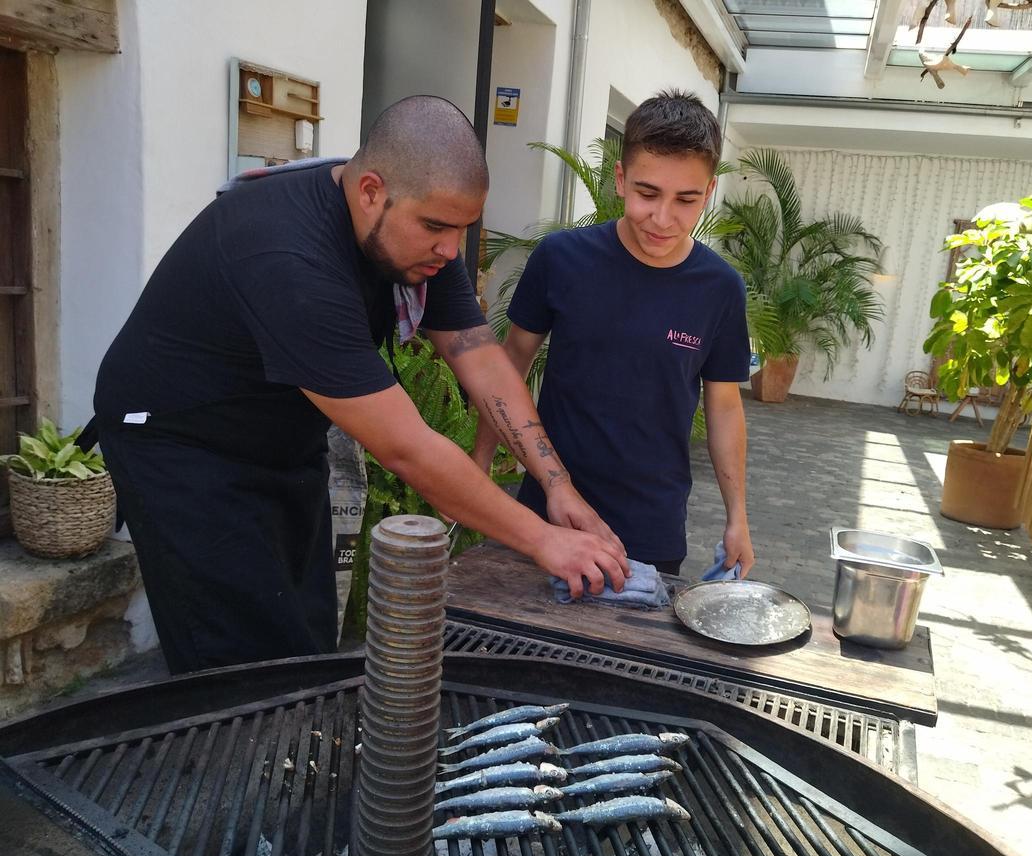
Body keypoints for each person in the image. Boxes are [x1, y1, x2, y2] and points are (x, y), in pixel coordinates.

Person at [93, 96, 628, 675]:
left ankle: (292, 737)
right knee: (238, 654)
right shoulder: (289, 258)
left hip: (276, 430)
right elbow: (407, 448)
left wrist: (556, 484)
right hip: (182, 443)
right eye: (436, 228)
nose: (451, 251)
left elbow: (478, 355)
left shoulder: (416, 229)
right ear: (370, 189)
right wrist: (543, 541)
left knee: (304, 627)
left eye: (462, 230)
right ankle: (242, 754)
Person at [471, 89, 754, 578]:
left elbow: (724, 403)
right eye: (648, 193)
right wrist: (478, 465)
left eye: (686, 200)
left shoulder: (721, 289)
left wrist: (738, 516)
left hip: (652, 525)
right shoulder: (562, 259)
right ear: (620, 180)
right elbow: (509, 364)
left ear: (708, 194)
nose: (663, 219)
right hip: (549, 508)